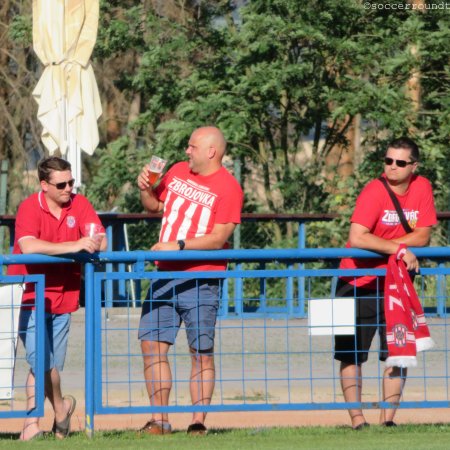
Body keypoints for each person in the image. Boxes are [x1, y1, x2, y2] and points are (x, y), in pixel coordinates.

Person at [137, 126, 243, 435]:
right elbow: (155, 207)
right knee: (151, 345)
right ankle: (159, 420)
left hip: (202, 278)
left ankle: (198, 422)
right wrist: (145, 188)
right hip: (164, 274)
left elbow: (219, 237)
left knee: (200, 352)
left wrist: (179, 245)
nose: (187, 151)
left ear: (211, 151)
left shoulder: (229, 187)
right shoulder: (178, 170)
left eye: (192, 146)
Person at [336, 137, 437, 429]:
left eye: (400, 162)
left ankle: (386, 422)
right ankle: (357, 421)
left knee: (398, 353)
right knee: (351, 354)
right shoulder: (373, 191)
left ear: (414, 166)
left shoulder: (422, 187)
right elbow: (357, 237)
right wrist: (400, 249)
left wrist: (388, 247)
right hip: (355, 281)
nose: (392, 167)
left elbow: (423, 235)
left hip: (397, 283)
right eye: (388, 160)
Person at [8, 157, 107, 440]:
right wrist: (75, 245)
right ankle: (51, 414)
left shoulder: (79, 203)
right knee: (41, 360)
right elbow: (28, 246)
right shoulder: (29, 207)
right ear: (44, 185)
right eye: (61, 184)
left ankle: (43, 419)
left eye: (71, 182)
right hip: (31, 294)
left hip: (65, 294)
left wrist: (93, 241)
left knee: (46, 364)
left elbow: (100, 238)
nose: (68, 188)